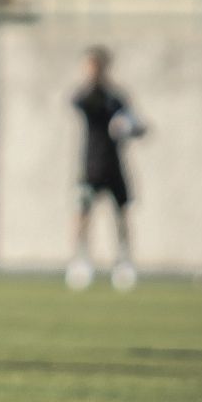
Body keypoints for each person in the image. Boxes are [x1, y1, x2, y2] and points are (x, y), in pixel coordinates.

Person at [66, 46, 148, 292]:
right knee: (83, 214)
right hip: (91, 166)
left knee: (121, 214)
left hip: (114, 165)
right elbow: (78, 102)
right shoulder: (87, 96)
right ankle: (80, 260)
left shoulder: (116, 98)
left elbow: (137, 124)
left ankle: (124, 262)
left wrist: (131, 127)